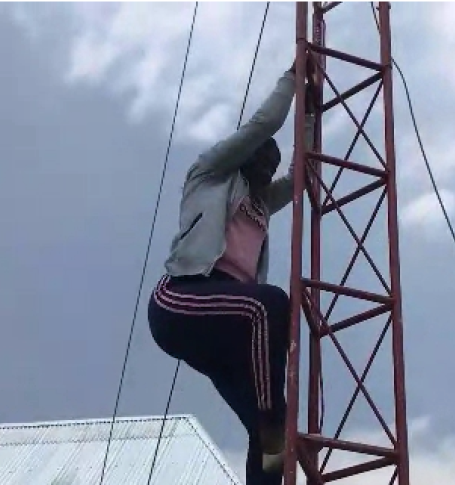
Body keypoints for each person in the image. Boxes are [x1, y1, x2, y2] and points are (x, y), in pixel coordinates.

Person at [148, 61, 315, 485]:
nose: (268, 170)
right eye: (262, 159)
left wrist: (311, 115)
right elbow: (264, 124)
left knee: (269, 439)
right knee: (269, 305)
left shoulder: (262, 202)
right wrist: (294, 79)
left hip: (228, 321)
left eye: (273, 165)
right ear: (246, 156)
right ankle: (271, 418)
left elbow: (301, 175)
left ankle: (270, 430)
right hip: (184, 297)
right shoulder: (210, 174)